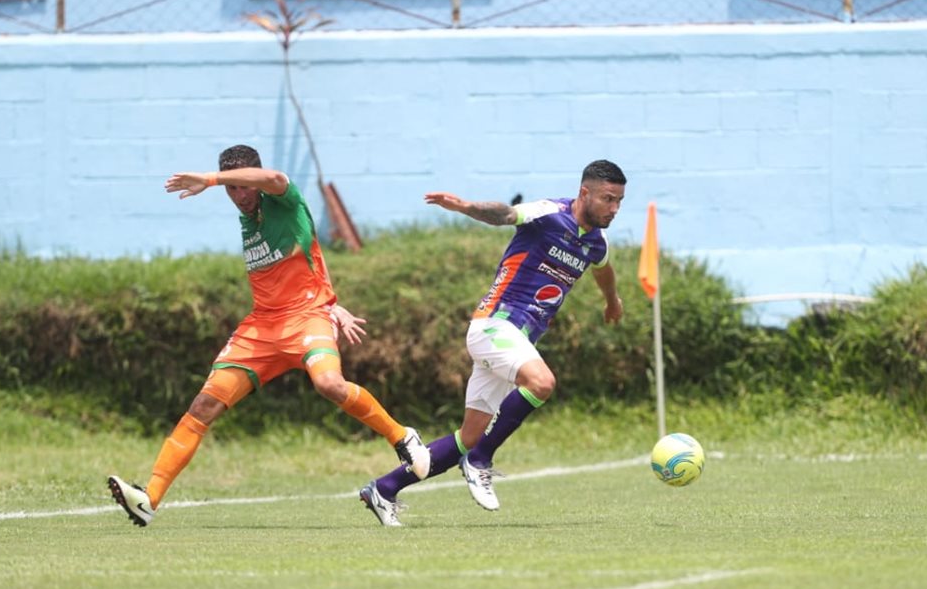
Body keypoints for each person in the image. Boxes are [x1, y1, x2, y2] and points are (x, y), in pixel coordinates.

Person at [107, 144, 430, 526]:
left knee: (329, 384)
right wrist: (333, 299)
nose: (239, 195)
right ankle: (149, 499)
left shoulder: (282, 198)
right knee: (203, 406)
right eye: (232, 190)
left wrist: (211, 180)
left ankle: (401, 437)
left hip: (307, 318)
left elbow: (273, 178)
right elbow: (308, 256)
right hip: (261, 328)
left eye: (243, 185)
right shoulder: (250, 219)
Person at [359, 159, 626, 526]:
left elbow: (604, 269)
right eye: (608, 199)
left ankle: (385, 488)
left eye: (619, 201)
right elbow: (505, 215)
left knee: (468, 436)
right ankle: (480, 460)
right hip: (495, 326)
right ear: (585, 192)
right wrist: (465, 207)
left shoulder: (596, 242)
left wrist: (612, 301)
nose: (614, 208)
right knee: (542, 383)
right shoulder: (549, 214)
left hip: (514, 340)